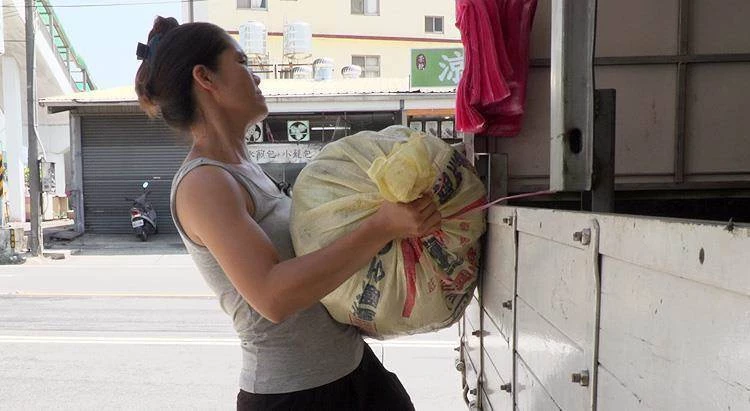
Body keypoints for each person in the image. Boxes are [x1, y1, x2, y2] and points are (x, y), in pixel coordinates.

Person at [134, 17, 441, 410]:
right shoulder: (204, 184)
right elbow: (272, 296)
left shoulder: (244, 167)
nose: (256, 77)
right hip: (295, 396)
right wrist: (382, 226)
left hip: (352, 371)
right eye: (242, 62)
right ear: (205, 78)